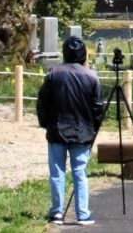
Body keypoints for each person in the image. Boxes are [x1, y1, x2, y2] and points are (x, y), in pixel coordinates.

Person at [36, 35, 106, 225]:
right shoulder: (91, 77)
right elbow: (98, 109)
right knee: (79, 173)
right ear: (83, 54)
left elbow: (42, 102)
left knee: (57, 172)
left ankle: (57, 212)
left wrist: (45, 123)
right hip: (82, 132)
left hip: (57, 129)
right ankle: (82, 214)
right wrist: (93, 129)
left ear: (65, 53)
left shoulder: (52, 74)